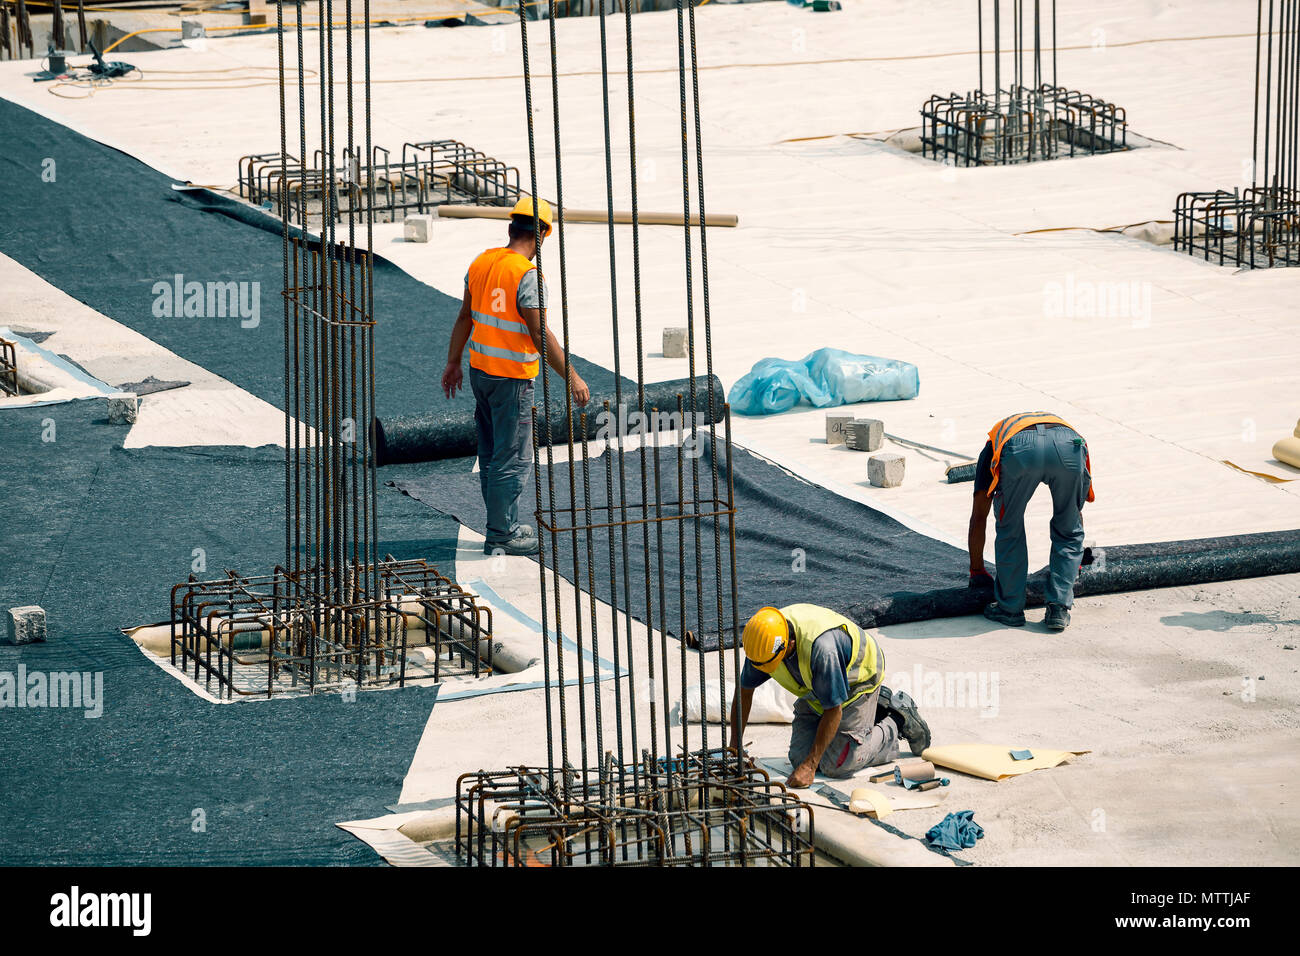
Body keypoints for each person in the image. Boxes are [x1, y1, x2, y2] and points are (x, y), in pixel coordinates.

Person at [441, 197, 590, 556]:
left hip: (480, 373)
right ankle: (502, 533)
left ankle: (501, 523)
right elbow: (540, 334)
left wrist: (453, 362)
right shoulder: (527, 275)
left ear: (511, 228)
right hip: (512, 381)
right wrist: (572, 377)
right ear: (542, 235)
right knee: (513, 458)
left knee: (492, 452)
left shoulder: (482, 261)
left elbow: (465, 317)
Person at [727, 604, 931, 789]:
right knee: (799, 759)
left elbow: (834, 710)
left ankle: (895, 720)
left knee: (836, 765)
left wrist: (811, 765)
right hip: (818, 690)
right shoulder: (764, 641)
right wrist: (735, 747)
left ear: (788, 645)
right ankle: (872, 712)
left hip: (856, 683)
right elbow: (744, 691)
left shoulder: (823, 651)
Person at [968, 412, 1094, 632]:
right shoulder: (1051, 426)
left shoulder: (993, 444)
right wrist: (1075, 564)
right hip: (1069, 444)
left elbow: (979, 515)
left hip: (1019, 448)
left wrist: (977, 570)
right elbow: (1076, 516)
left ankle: (1010, 609)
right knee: (1069, 528)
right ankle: (1058, 608)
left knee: (1010, 528)